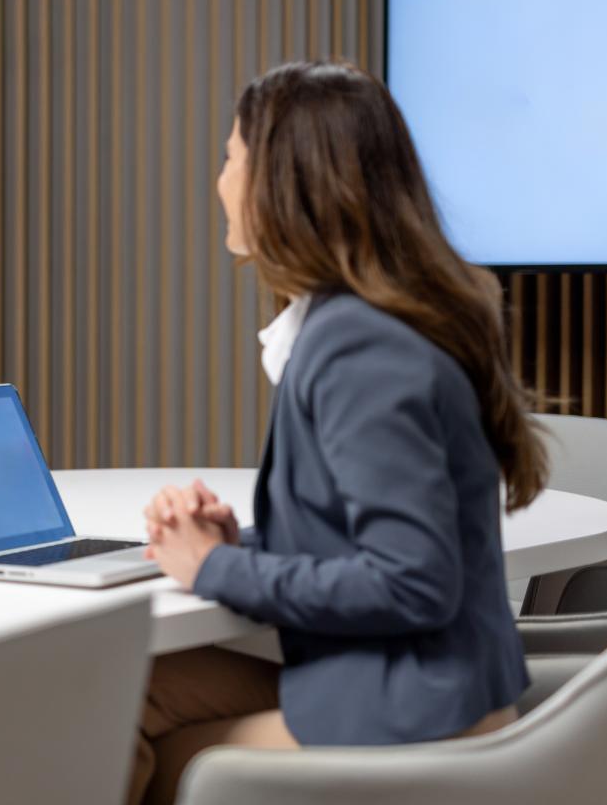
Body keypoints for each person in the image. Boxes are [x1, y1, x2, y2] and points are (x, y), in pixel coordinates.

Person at [128, 61, 548, 805]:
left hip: (419, 715)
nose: (221, 182)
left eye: (231, 159)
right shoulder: (383, 317)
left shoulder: (360, 345)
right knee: (123, 689)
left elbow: (411, 579)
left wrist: (214, 572)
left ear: (281, 185)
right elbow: (374, 537)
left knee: (118, 741)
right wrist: (235, 545)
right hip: (424, 684)